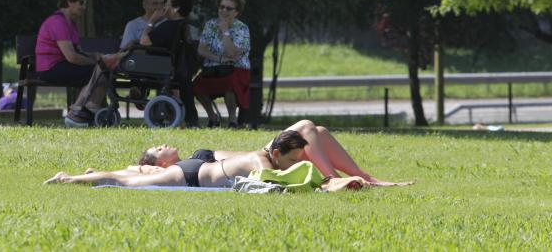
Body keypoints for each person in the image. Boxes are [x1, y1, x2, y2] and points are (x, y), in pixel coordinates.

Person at [128, 120, 411, 187]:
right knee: (307, 127)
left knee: (319, 131)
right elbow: (132, 174)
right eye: (157, 149)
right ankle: (331, 179)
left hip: (265, 153)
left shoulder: (190, 159)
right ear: (156, 162)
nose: (162, 144)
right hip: (266, 157)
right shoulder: (175, 172)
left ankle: (363, 177)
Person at [64, 0, 199, 127]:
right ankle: (88, 107)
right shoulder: (181, 26)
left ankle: (81, 109)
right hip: (158, 63)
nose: (163, 7)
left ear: (176, 8)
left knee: (102, 63)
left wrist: (152, 21)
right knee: (105, 62)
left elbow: (145, 41)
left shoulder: (169, 25)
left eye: (168, 3)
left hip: (150, 64)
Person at [45, 130, 309, 188]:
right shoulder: (261, 160)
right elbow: (275, 180)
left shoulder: (264, 157)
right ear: (276, 154)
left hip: (196, 171)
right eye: (294, 160)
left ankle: (90, 174)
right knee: (126, 184)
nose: (296, 165)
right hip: (190, 175)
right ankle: (67, 179)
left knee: (132, 178)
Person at [34, 0, 117, 126]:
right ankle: (76, 113)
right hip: (50, 69)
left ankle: (86, 113)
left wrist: (96, 57)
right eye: (81, 2)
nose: (84, 7)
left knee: (103, 71)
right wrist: (95, 63)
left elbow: (78, 51)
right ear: (69, 1)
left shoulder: (71, 24)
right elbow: (71, 57)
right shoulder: (58, 22)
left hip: (61, 65)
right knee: (99, 71)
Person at [193, 0, 251, 128]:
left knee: (230, 83)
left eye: (229, 8)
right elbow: (201, 49)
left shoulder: (242, 28)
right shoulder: (210, 25)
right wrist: (219, 59)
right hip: (213, 67)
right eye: (222, 7)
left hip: (237, 68)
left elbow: (232, 54)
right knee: (197, 85)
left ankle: (232, 120)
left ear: (236, 12)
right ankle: (213, 118)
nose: (224, 10)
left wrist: (225, 31)